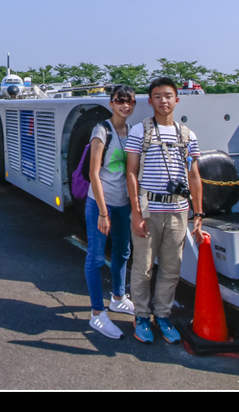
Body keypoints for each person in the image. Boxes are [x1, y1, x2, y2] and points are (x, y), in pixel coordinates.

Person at [125, 77, 205, 344]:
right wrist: (137, 213)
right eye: (158, 96)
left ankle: (162, 316)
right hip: (149, 209)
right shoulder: (140, 131)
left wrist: (198, 213)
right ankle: (141, 317)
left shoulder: (188, 135)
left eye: (168, 96)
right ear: (150, 101)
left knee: (171, 269)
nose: (163, 101)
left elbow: (194, 176)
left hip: (178, 210)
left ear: (177, 100)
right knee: (143, 268)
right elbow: (131, 172)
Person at [85, 85, 136, 339]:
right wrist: (103, 212)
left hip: (122, 203)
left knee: (123, 252)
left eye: (129, 101)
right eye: (120, 100)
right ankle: (97, 313)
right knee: (95, 258)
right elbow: (93, 173)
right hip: (100, 204)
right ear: (111, 103)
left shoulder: (132, 131)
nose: (125, 105)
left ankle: (118, 297)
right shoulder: (101, 130)